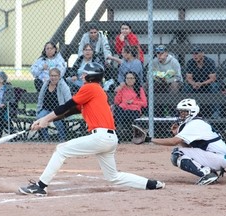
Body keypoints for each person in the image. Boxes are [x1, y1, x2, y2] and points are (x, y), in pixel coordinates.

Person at [18, 62, 165, 196]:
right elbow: (69, 111)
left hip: (100, 137)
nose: (82, 76)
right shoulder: (95, 91)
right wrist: (43, 121)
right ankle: (151, 184)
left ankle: (41, 186)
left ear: (90, 76)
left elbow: (66, 106)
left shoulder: (90, 88)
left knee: (61, 149)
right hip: (109, 138)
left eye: (85, 74)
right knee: (113, 177)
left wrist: (45, 119)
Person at [137, 98, 226, 185]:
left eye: (185, 112)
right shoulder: (196, 122)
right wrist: (176, 134)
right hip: (217, 156)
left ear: (193, 112)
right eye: (181, 112)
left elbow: (173, 142)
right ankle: (209, 172)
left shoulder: (194, 124)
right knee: (180, 152)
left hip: (217, 157)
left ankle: (207, 174)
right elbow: (188, 147)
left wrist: (149, 139)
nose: (181, 114)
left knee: (177, 154)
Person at [184, 46, 220, 118]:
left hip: (207, 84)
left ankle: (216, 113)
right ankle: (188, 112)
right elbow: (188, 78)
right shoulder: (190, 62)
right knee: (186, 87)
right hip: (195, 85)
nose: (194, 56)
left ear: (202, 54)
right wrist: (193, 83)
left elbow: (212, 78)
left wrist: (202, 84)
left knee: (214, 86)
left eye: (197, 53)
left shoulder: (209, 62)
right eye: (193, 54)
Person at [36, 68, 71, 141]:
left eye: (55, 76)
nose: (53, 77)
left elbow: (69, 99)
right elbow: (40, 97)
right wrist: (39, 109)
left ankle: (62, 138)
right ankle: (46, 138)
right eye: (51, 75)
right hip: (46, 109)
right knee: (40, 118)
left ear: (59, 76)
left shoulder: (63, 86)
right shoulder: (46, 84)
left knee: (57, 120)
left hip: (58, 109)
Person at [114, 71, 147, 140]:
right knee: (118, 110)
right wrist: (119, 89)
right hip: (122, 109)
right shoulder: (123, 89)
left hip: (134, 110)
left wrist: (133, 102)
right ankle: (119, 131)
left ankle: (120, 132)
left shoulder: (139, 89)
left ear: (135, 79)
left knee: (123, 113)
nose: (129, 80)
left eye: (132, 78)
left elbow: (144, 103)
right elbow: (117, 102)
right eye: (127, 78)